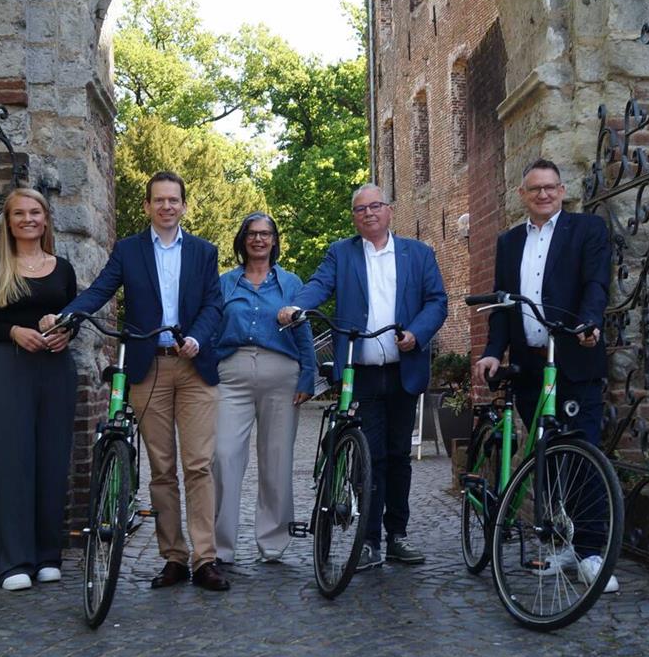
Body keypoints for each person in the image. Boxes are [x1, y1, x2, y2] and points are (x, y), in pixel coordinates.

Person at [44, 171, 229, 592]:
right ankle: (174, 558)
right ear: (147, 206)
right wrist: (69, 314)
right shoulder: (128, 250)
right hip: (149, 367)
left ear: (183, 205)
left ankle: (205, 559)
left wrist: (197, 337)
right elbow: (101, 289)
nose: (166, 206)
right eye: (159, 200)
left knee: (198, 466)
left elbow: (214, 305)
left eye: (173, 200)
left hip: (195, 367)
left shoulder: (204, 251)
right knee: (162, 469)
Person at [278, 183, 448, 570]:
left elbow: (437, 301)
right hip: (362, 372)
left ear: (389, 210)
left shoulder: (418, 254)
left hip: (404, 370)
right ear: (354, 217)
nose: (368, 214)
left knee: (399, 457)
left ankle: (397, 536)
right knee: (370, 457)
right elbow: (319, 285)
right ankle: (369, 540)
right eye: (360, 210)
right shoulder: (342, 253)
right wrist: (295, 307)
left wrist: (416, 334)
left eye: (375, 207)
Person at [471, 157, 617, 591]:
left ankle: (592, 552)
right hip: (531, 365)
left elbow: (596, 284)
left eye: (551, 187)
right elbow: (501, 307)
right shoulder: (509, 241)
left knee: (581, 453)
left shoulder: (586, 231)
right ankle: (561, 542)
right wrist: (493, 351)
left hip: (574, 360)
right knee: (546, 461)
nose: (544, 195)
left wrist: (590, 323)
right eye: (535, 189)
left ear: (562, 190)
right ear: (523, 195)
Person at [0, 187, 77, 592]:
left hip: (56, 369)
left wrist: (64, 332)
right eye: (19, 214)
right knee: (12, 461)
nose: (28, 219)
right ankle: (14, 562)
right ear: (8, 223)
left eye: (35, 212)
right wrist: (12, 331)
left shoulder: (62, 268)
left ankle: (48, 556)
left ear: (45, 219)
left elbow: (73, 315)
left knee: (52, 459)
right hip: (11, 367)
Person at [211, 213, 316, 565]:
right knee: (224, 456)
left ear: (274, 240)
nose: (258, 240)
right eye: (252, 234)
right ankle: (220, 547)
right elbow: (212, 328)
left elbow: (303, 331)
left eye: (265, 234)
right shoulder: (226, 283)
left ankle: (272, 542)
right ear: (242, 240)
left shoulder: (290, 282)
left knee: (277, 461)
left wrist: (307, 376)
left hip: (281, 374)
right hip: (232, 373)